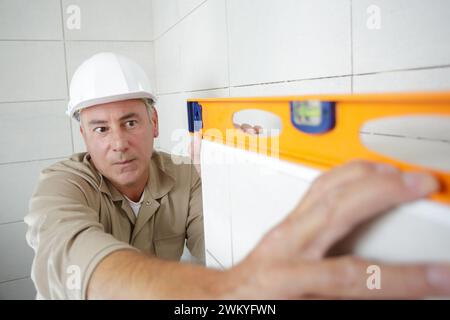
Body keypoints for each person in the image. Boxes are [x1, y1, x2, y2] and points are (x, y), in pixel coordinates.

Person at [25, 52, 450, 300]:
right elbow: (73, 261)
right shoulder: (62, 185)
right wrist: (227, 291)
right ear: (82, 134)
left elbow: (229, 251)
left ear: (154, 122)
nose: (118, 142)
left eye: (131, 122)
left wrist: (247, 181)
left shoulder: (185, 175)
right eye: (100, 128)